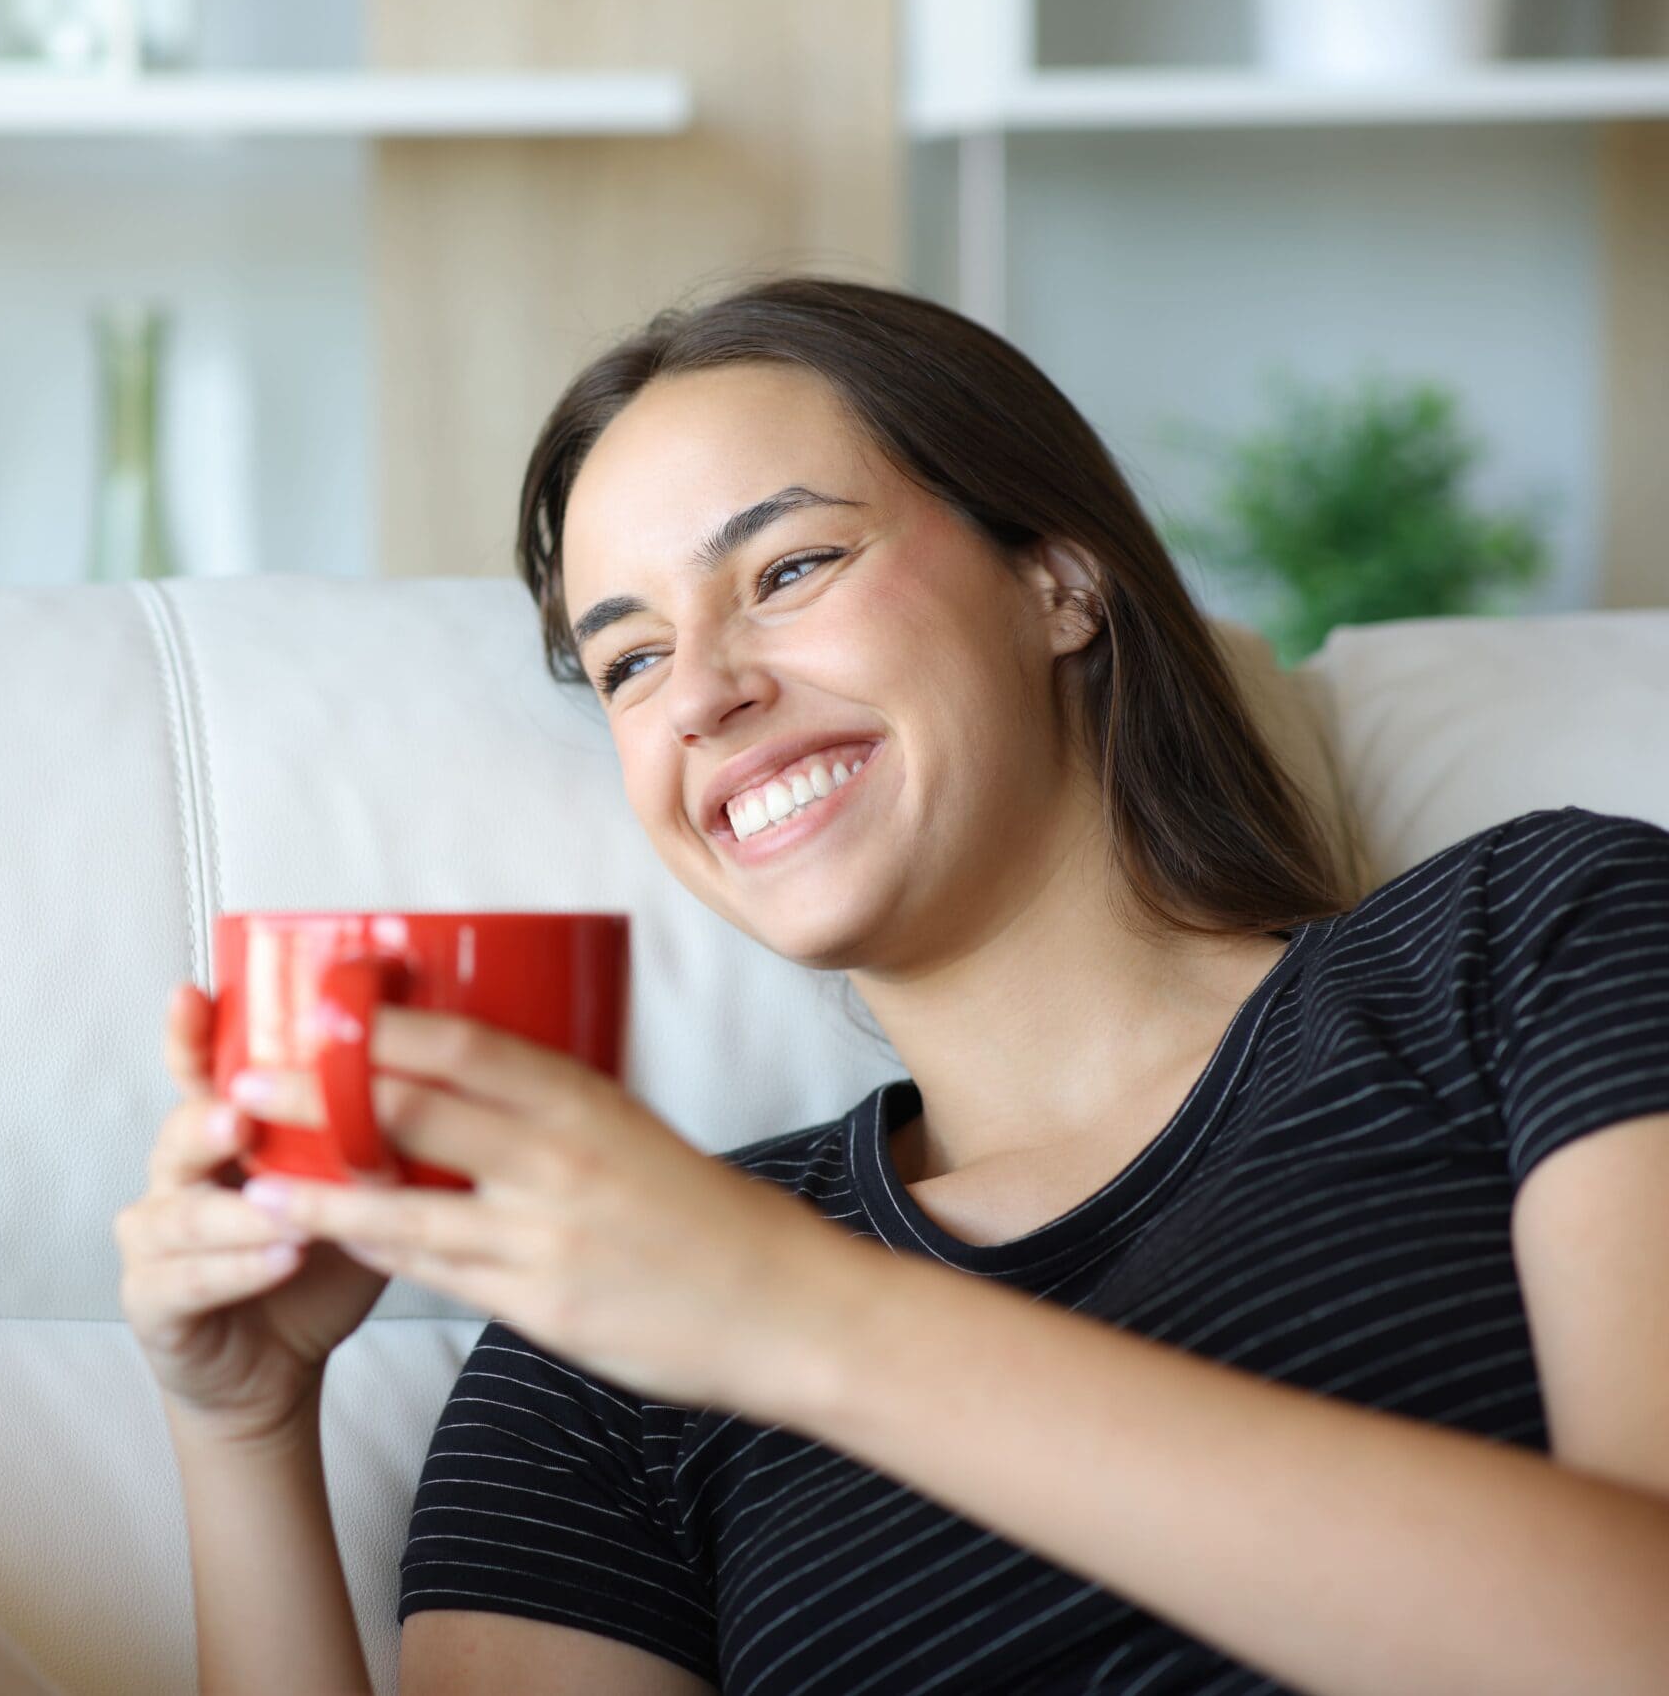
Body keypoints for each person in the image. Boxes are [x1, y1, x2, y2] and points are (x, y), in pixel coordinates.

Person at [111, 276, 1669, 1695]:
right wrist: (244, 1429)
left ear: (1059, 578)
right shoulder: (599, 1351)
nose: (707, 694)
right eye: (631, 663)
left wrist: (787, 1316)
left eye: (789, 567)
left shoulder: (1534, 943)